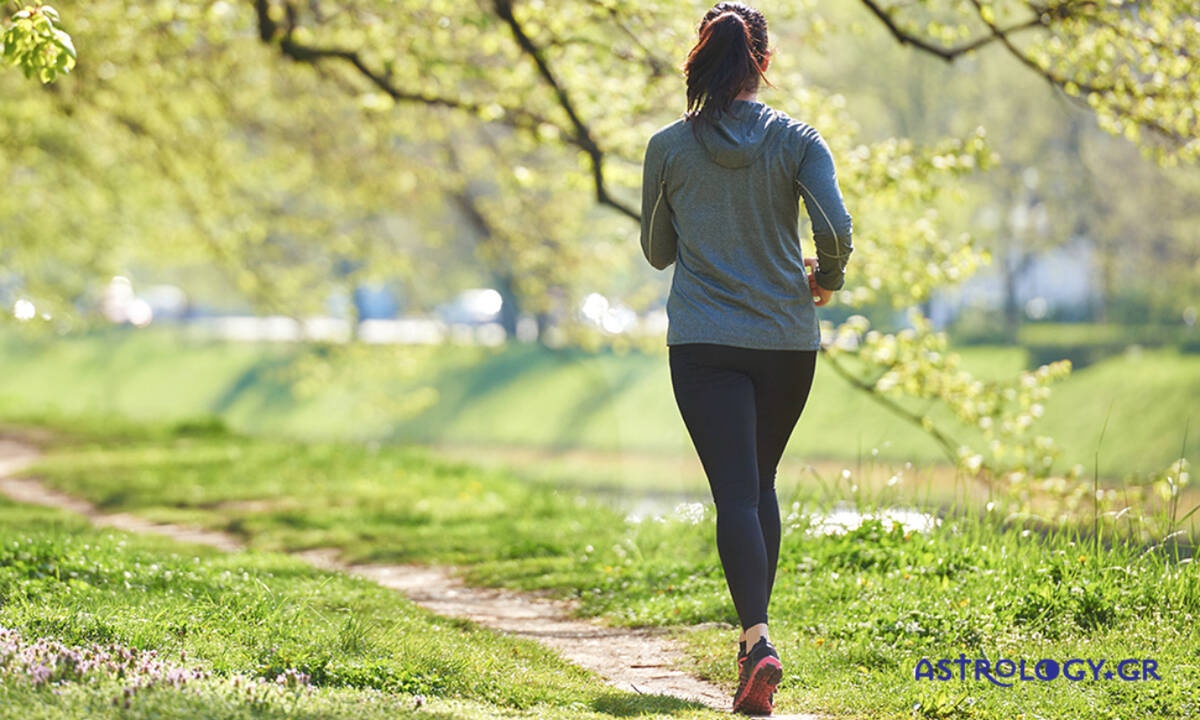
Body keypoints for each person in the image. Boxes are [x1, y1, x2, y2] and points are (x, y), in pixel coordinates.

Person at [639, 3, 853, 715]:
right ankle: (754, 646)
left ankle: (757, 642)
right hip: (786, 342)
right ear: (763, 61)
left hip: (703, 342)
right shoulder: (797, 140)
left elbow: (658, 251)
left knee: (735, 490)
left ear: (701, 59)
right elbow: (836, 228)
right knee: (759, 482)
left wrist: (691, 206)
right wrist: (826, 278)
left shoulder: (668, 146)